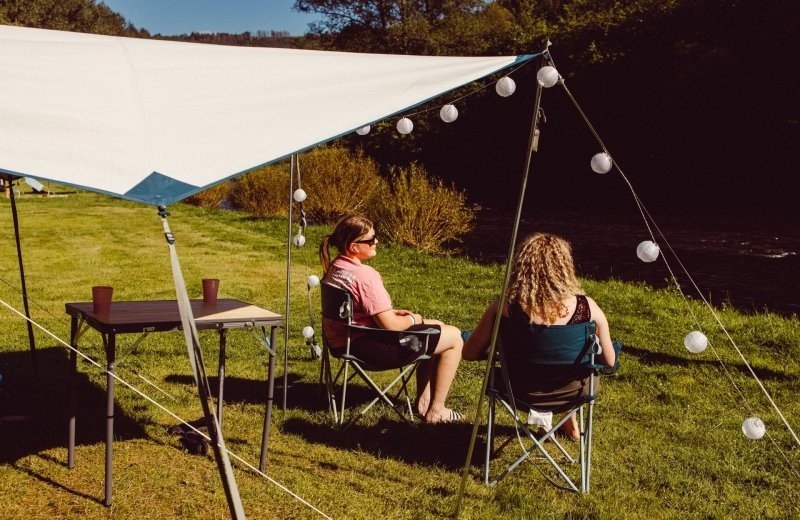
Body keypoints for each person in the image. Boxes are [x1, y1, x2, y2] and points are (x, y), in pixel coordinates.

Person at [463, 233, 616, 439]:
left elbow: (469, 353)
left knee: (542, 366)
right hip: (572, 392)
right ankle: (566, 419)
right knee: (581, 364)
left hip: (518, 391)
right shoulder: (588, 308)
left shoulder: (503, 310)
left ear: (522, 267)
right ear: (565, 267)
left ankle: (560, 422)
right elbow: (609, 361)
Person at [319, 214, 465, 424]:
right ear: (353, 247)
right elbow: (391, 326)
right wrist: (414, 319)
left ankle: (424, 402)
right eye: (371, 240)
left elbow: (363, 311)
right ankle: (437, 411)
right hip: (371, 348)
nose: (376, 241)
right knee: (454, 338)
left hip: (344, 342)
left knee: (438, 327)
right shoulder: (364, 276)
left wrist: (392, 314)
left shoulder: (337, 267)